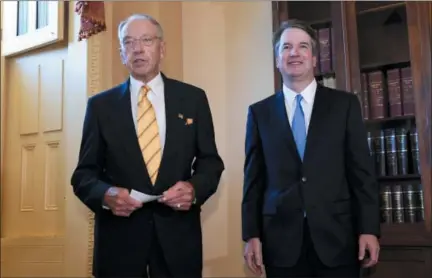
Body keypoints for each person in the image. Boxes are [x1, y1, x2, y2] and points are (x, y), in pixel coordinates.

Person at [70, 13, 224, 278]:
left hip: (178, 243)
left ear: (161, 48)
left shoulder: (193, 99)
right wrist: (105, 195)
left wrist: (193, 189)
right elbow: (83, 175)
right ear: (121, 53)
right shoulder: (100, 106)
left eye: (146, 40)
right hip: (119, 245)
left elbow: (211, 162)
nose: (138, 49)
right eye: (129, 42)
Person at [241, 19, 381, 277]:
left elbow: (362, 173)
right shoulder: (259, 113)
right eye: (286, 47)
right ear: (277, 59)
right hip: (280, 243)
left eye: (303, 46)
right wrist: (251, 234)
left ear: (314, 59)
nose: (294, 53)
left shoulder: (344, 105)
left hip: (338, 239)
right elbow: (253, 180)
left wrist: (369, 228)